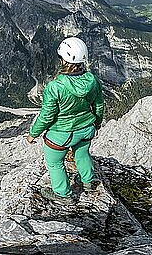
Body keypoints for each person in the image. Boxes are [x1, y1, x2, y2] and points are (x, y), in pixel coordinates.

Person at [26, 37, 104, 204]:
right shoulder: (92, 80)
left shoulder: (55, 87)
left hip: (61, 134)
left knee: (54, 162)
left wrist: (33, 134)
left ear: (63, 59)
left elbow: (47, 115)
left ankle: (63, 194)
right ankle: (89, 182)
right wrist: (96, 123)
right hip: (86, 129)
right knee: (82, 153)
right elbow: (99, 106)